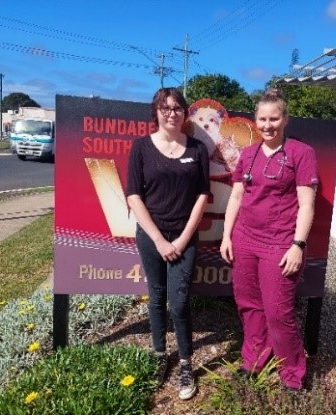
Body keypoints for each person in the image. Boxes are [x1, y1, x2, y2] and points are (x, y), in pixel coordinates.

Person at [220, 88, 318, 391]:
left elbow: (307, 204)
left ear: (285, 119)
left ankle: (292, 375)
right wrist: (226, 236)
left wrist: (298, 246)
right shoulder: (248, 154)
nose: (267, 125)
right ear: (256, 120)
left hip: (280, 244)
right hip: (245, 240)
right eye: (262, 119)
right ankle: (253, 362)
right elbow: (237, 196)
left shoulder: (301, 153)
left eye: (274, 119)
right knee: (249, 305)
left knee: (278, 313)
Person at [126, 87, 210, 400]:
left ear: (185, 113)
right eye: (165, 108)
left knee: (179, 302)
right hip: (151, 236)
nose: (171, 113)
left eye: (177, 108)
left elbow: (203, 195)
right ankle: (160, 354)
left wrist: (184, 238)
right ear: (156, 112)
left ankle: (186, 362)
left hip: (185, 236)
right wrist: (160, 240)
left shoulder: (198, 149)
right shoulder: (141, 148)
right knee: (157, 297)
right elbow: (133, 196)